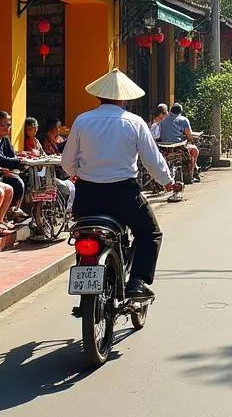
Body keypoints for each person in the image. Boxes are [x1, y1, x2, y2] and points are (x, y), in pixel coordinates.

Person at [62, 69, 178, 302]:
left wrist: (80, 175)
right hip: (124, 196)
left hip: (87, 196)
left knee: (86, 234)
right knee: (150, 233)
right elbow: (153, 160)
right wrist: (167, 182)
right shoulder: (134, 123)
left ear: (99, 96)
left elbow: (67, 163)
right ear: (123, 98)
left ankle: (87, 282)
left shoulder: (82, 120)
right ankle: (137, 281)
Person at [0, 111, 28, 222]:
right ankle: (3, 216)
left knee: (27, 175)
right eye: (3, 125)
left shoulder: (5, 139)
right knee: (16, 182)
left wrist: (18, 164)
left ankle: (15, 209)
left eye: (8, 125)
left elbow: (11, 156)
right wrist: (18, 162)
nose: (7, 128)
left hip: (4, 172)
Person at [158, 102, 200, 181]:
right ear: (180, 112)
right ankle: (191, 174)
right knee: (194, 150)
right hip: (178, 146)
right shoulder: (183, 120)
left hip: (164, 147)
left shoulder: (163, 121)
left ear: (171, 111)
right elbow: (189, 135)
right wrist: (191, 140)